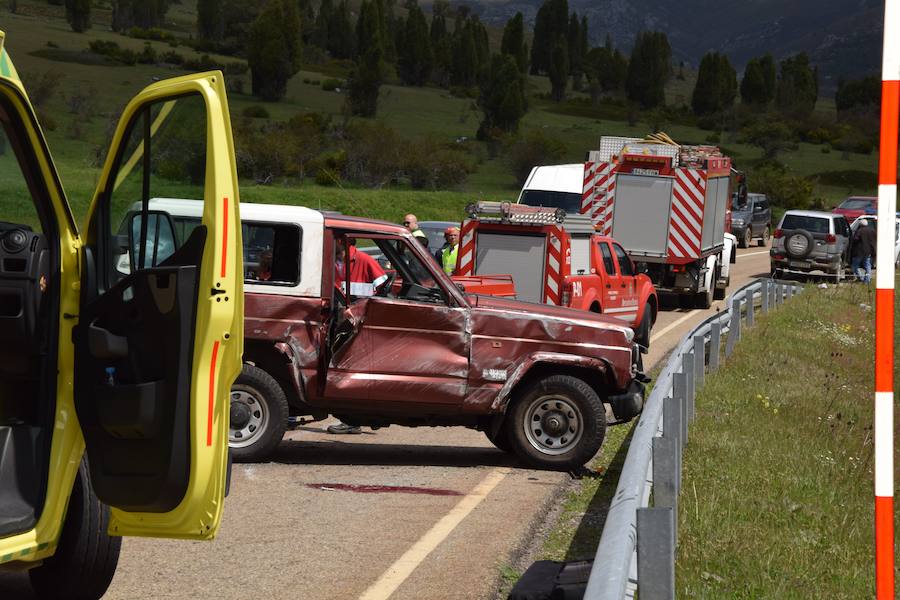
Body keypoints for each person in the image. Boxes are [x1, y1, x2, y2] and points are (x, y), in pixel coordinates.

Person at [327, 238, 388, 435]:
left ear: (342, 241)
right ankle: (358, 418)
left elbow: (385, 290)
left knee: (351, 371)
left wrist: (361, 309)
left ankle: (356, 419)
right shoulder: (330, 259)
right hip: (338, 322)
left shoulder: (364, 260)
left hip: (359, 325)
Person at [851, 219, 876, 283]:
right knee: (867, 266)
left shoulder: (859, 231)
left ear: (860, 224)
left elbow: (855, 239)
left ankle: (860, 278)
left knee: (855, 266)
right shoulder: (872, 231)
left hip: (859, 251)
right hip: (868, 251)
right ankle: (867, 280)